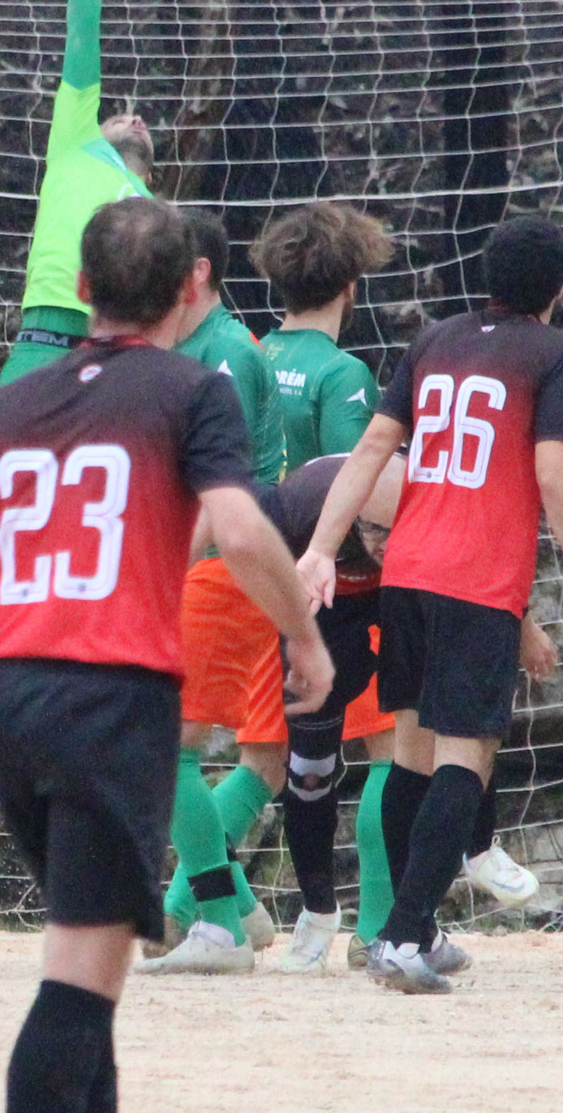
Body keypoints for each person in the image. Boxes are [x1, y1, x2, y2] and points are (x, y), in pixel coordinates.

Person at [0, 196, 330, 1113]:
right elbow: (241, 529)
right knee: (75, 986)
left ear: (83, 288)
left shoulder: (11, 401)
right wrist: (304, 636)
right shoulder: (192, 392)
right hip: (112, 702)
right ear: (191, 288)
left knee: (91, 975)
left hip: (15, 696)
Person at [297, 215, 563, 993]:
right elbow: (555, 474)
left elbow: (372, 449)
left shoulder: (435, 340)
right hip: (477, 582)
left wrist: (319, 543)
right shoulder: (556, 354)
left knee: (412, 752)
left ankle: (407, 927)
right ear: (557, 289)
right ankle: (404, 938)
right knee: (466, 759)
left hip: (406, 570)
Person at [257, 448, 560, 975]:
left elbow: (481, 552)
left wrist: (526, 626)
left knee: (448, 717)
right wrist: (300, 640)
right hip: (323, 598)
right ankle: (317, 910)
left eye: (393, 526)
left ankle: (471, 857)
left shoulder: (423, 492)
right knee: (309, 764)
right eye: (373, 530)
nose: (383, 543)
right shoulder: (291, 514)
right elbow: (262, 574)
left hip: (415, 585)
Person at [250, 201, 403, 970]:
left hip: (268, 574)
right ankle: (375, 927)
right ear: (350, 285)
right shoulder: (344, 375)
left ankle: (299, 911)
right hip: (342, 583)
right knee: (387, 749)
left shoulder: (250, 354)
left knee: (298, 763)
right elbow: (358, 485)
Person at [141, 209, 287, 973]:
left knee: (167, 742)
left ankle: (221, 922)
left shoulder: (226, 350)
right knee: (169, 743)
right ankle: (223, 908)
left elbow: (221, 487)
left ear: (196, 270)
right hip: (197, 560)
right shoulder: (187, 342)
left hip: (221, 563)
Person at [0, 0, 154, 384]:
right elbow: (83, 33)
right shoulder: (74, 142)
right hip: (42, 345)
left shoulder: (153, 213)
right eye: (117, 115)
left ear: (154, 170)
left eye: (141, 122)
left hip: (119, 361)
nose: (132, 118)